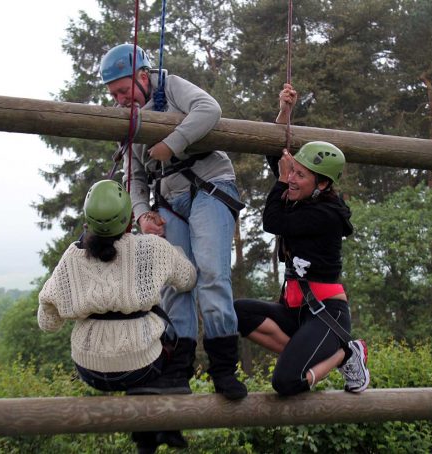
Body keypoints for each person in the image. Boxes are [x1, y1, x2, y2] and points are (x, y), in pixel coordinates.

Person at [98, 43, 247, 400]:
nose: (120, 99)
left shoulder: (171, 87)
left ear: (143, 76)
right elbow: (133, 177)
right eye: (114, 94)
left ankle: (224, 369)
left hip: (209, 184)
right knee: (176, 281)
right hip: (169, 197)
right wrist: (142, 214)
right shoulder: (128, 122)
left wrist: (173, 142)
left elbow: (209, 108)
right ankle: (177, 370)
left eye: (123, 90)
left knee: (211, 273)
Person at [38, 179, 197, 453]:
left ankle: (151, 435)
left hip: (90, 370)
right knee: (175, 345)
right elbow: (188, 279)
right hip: (142, 367)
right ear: (129, 220)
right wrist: (173, 253)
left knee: (151, 352)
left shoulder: (72, 258)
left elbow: (47, 323)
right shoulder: (151, 248)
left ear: (88, 222)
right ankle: (161, 425)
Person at [233, 84, 370, 396]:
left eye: (299, 175)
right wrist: (285, 111)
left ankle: (346, 353)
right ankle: (309, 353)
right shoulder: (301, 196)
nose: (291, 178)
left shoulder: (326, 214)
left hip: (325, 312)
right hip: (296, 310)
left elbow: (272, 221)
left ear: (321, 183)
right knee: (237, 312)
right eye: (291, 171)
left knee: (286, 382)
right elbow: (273, 148)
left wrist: (281, 181)